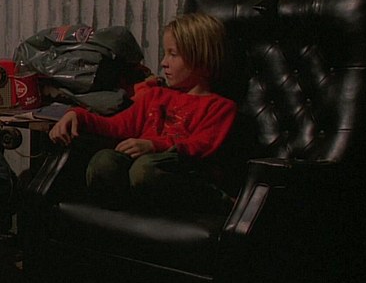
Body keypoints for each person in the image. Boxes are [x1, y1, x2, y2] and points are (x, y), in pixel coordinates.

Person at [48, 12, 237, 212]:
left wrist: (153, 146)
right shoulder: (155, 95)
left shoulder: (220, 107)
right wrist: (77, 115)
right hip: (143, 176)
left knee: (145, 168)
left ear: (203, 60)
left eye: (173, 55)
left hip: (181, 171)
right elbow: (117, 125)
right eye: (165, 54)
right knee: (104, 162)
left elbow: (200, 146)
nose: (164, 62)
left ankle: (222, 202)